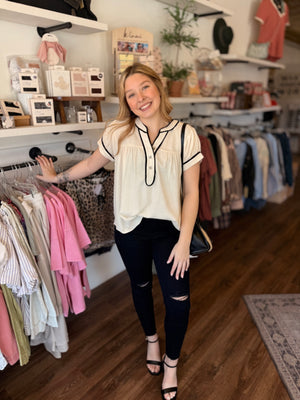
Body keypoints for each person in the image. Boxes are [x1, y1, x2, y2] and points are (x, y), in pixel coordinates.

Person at [36, 63, 203, 400]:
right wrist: (58, 178)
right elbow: (91, 164)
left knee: (179, 301)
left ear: (157, 87)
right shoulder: (119, 131)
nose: (140, 97)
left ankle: (172, 362)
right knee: (140, 286)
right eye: (130, 94)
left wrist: (185, 242)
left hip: (170, 231)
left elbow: (193, 192)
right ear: (126, 101)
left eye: (144, 87)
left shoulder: (186, 134)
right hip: (129, 229)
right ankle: (152, 341)